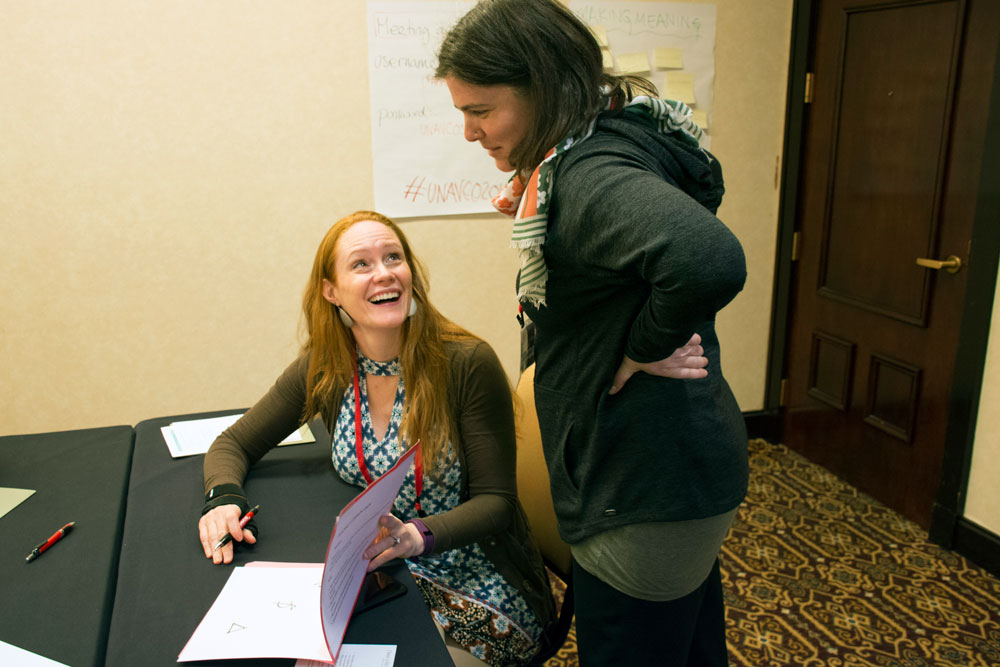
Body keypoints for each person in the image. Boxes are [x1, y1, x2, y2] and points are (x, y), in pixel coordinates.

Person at [436, 1, 749, 665]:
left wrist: (639, 346)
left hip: (643, 489)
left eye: (481, 110)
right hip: (678, 470)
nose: (468, 131)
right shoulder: (588, 148)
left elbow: (708, 258)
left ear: (543, 89)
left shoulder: (588, 179)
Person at [197, 210, 558, 667]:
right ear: (331, 291)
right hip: (384, 570)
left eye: (393, 257)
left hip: (474, 575)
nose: (384, 273)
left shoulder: (466, 363)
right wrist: (223, 499)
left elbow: (497, 503)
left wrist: (416, 537)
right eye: (361, 264)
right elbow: (233, 443)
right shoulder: (327, 364)